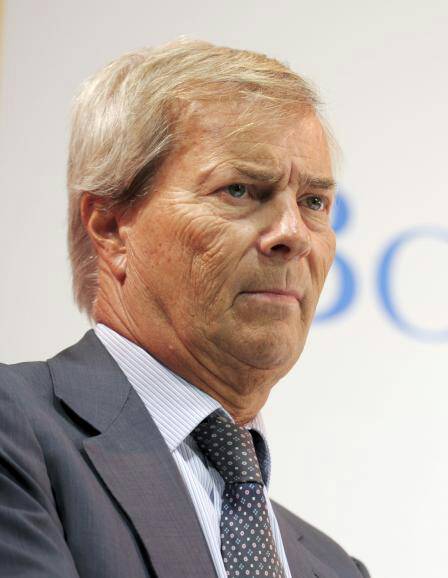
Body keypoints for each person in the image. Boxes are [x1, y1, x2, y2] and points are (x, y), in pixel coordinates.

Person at [0, 39, 369, 578]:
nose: (293, 234)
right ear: (110, 228)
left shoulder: (334, 567)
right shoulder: (18, 435)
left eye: (313, 202)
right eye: (239, 190)